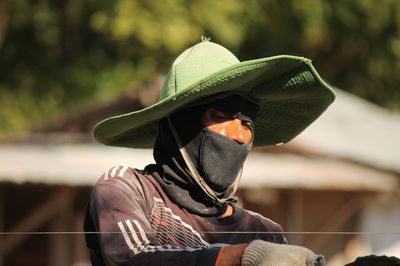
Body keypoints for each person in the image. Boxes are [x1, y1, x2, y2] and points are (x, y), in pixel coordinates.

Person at [84, 39, 335, 266]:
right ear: (179, 125)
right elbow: (131, 260)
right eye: (221, 117)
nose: (238, 135)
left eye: (247, 124)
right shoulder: (127, 187)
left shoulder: (263, 231)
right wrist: (239, 257)